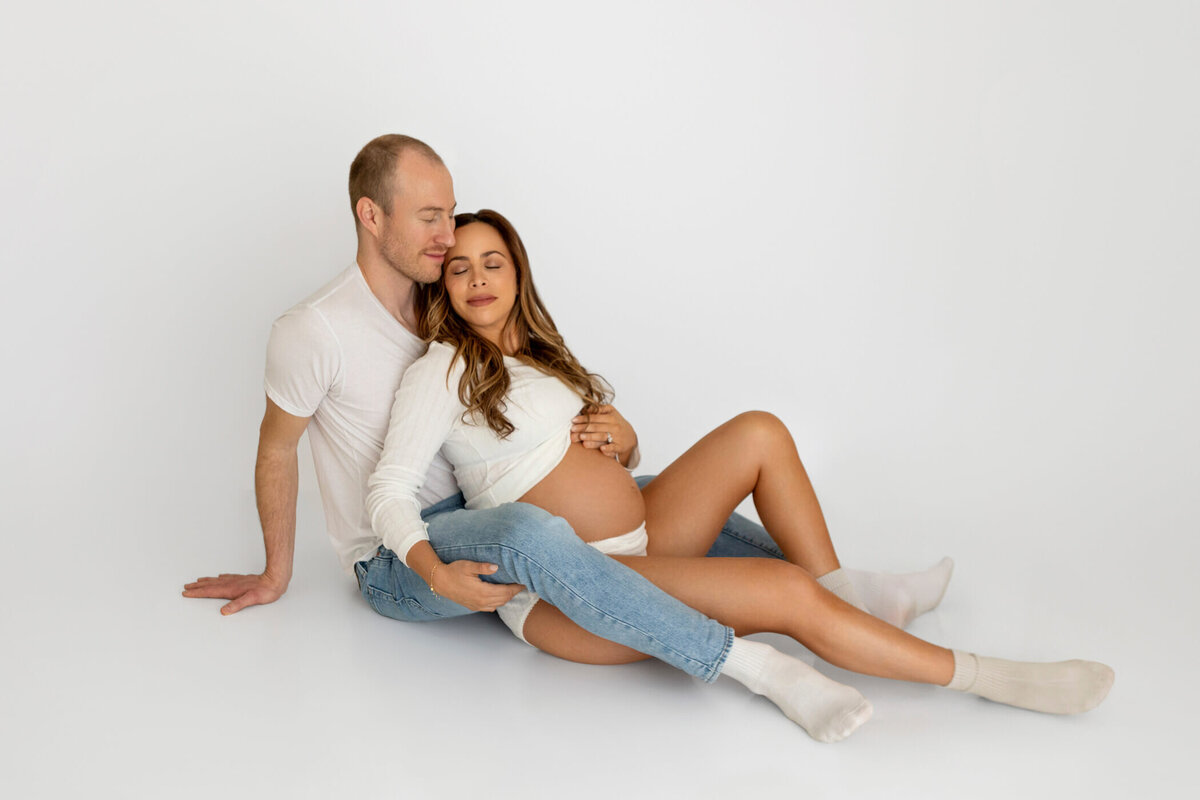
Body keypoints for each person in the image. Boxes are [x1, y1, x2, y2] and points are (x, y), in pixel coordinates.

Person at [364, 206, 1115, 740]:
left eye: (493, 261)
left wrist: (626, 444)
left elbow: (600, 458)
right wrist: (432, 569)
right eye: (459, 268)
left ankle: (849, 596)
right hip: (572, 591)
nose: (478, 278)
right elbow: (388, 490)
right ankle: (992, 676)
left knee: (761, 431)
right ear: (444, 288)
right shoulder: (444, 369)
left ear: (518, 271)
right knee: (781, 595)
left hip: (646, 539)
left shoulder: (541, 357)